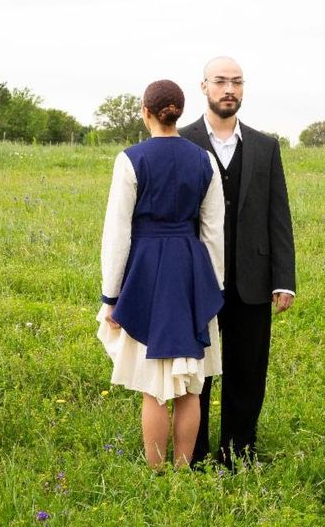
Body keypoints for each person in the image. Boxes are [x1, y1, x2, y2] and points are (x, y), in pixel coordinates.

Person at [97, 80, 225, 469]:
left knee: (153, 389)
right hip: (190, 270)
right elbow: (213, 230)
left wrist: (111, 294)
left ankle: (156, 473)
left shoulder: (130, 159)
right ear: (179, 113)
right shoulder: (204, 160)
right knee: (190, 386)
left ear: (145, 112)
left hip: (148, 270)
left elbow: (117, 232)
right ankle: (184, 470)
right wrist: (212, 287)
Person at [179, 56, 296, 468]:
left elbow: (278, 216)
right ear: (204, 87)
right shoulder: (182, 141)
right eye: (221, 81)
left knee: (248, 371)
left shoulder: (266, 147)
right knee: (197, 373)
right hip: (198, 281)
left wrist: (284, 278)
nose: (229, 89)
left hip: (254, 280)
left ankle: (238, 454)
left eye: (237, 82)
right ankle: (192, 453)